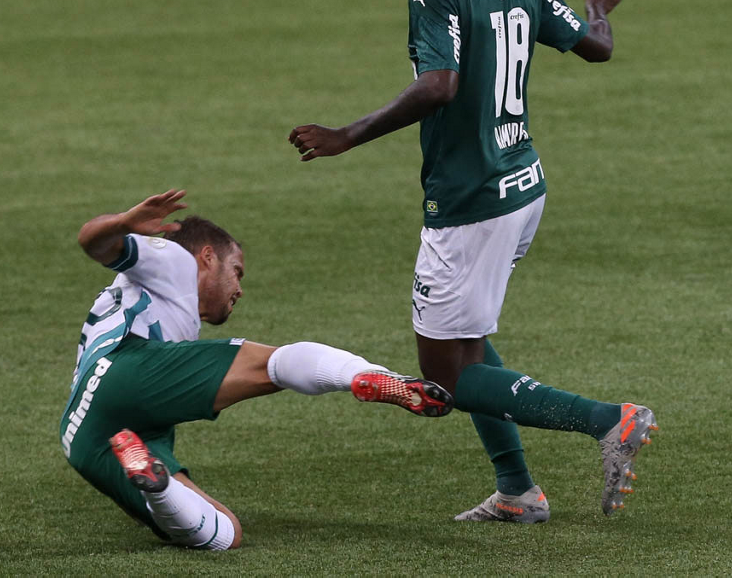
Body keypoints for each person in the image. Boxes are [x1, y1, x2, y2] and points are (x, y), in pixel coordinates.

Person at [287, 0, 658, 522]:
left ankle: (608, 419)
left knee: (445, 378)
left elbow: (439, 85)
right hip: (522, 186)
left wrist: (347, 135)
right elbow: (596, 45)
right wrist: (597, 5)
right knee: (469, 341)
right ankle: (517, 492)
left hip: (469, 204)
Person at [60, 189, 453, 550]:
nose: (239, 289)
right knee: (273, 366)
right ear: (208, 257)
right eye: (236, 271)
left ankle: (158, 489)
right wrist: (124, 223)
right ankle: (364, 375)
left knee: (225, 533)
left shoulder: (146, 299)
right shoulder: (176, 260)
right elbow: (92, 241)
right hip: (125, 368)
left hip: (84, 434)